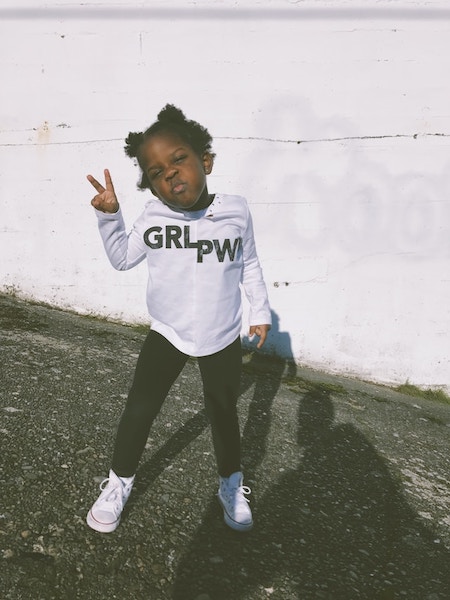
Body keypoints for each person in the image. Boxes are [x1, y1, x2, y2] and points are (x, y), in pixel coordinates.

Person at [85, 104, 271, 534]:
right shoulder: (154, 218)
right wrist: (109, 215)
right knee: (139, 410)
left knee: (223, 411)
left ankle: (231, 484)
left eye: (178, 159)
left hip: (222, 334)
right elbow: (120, 259)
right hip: (167, 332)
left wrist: (259, 311)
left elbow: (250, 264)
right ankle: (118, 483)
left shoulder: (236, 211)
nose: (168, 173)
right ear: (151, 188)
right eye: (155, 172)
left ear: (205, 161)